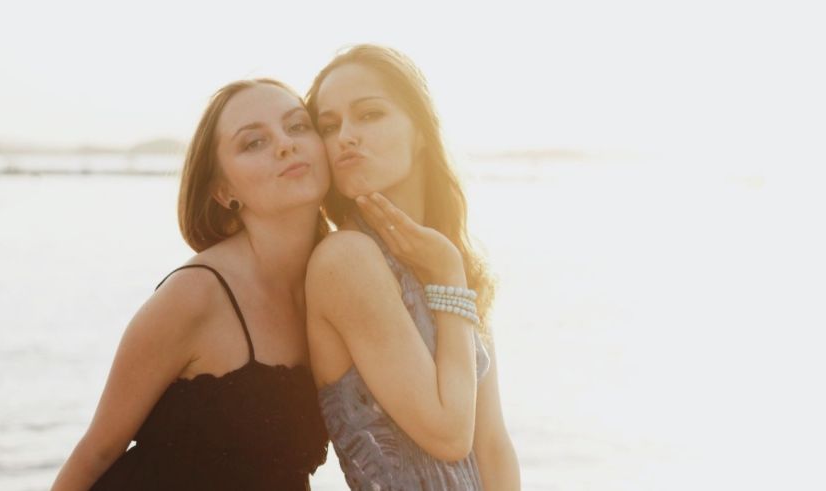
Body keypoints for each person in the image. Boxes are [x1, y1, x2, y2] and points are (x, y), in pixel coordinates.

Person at [52, 78, 330, 490]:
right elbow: (96, 452)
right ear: (224, 191)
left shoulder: (337, 285)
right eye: (254, 142)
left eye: (298, 126)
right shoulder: (195, 295)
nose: (285, 144)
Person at [304, 45, 520, 490]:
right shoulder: (344, 259)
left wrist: (450, 272)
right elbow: (449, 433)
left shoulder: (451, 258)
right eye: (329, 125)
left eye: (369, 115)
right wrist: (449, 279)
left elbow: (493, 444)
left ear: (421, 131)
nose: (345, 135)